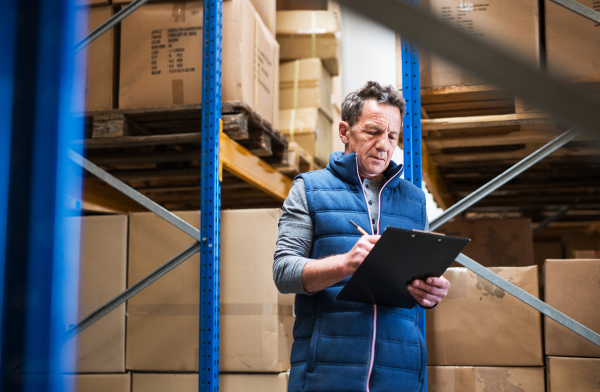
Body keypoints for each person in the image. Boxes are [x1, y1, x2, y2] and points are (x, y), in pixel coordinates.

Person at [273, 81, 451, 392]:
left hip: (401, 375)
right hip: (326, 375)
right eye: (373, 131)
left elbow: (415, 280)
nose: (385, 144)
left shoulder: (414, 199)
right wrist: (344, 264)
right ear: (344, 131)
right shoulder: (309, 189)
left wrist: (430, 291)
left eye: (392, 136)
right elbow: (284, 272)